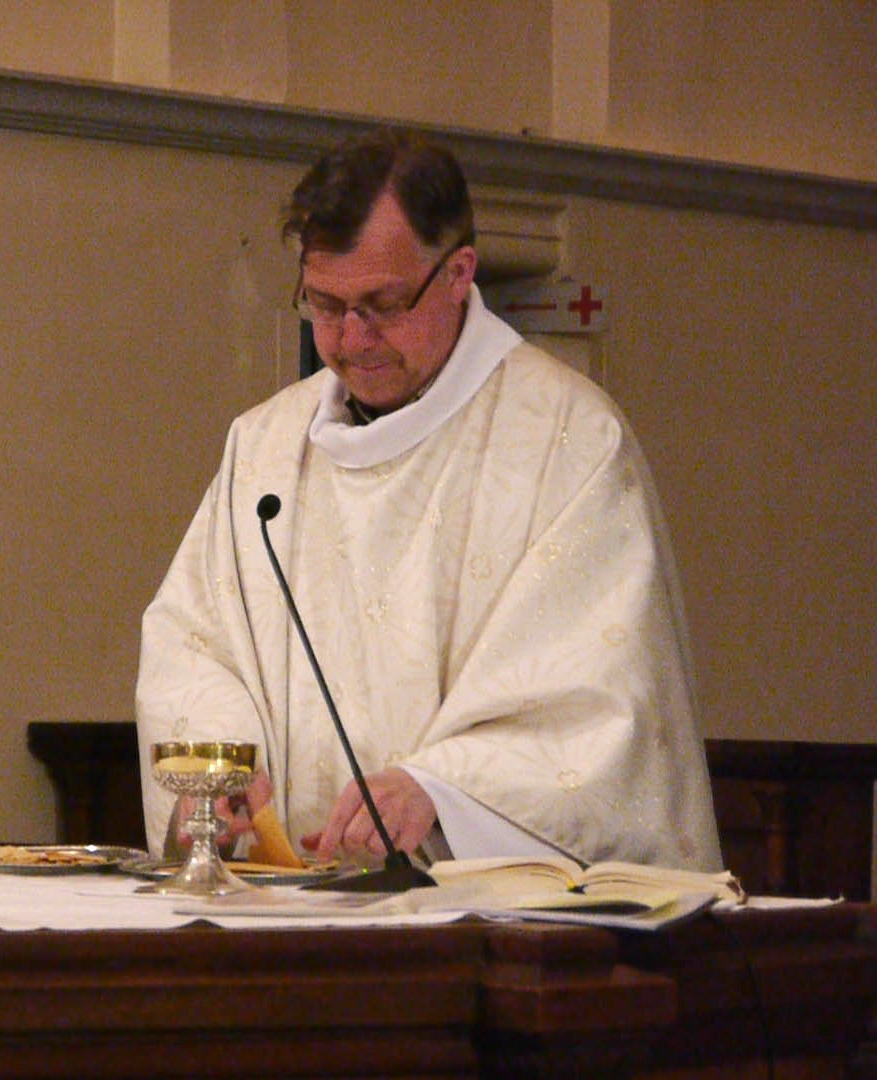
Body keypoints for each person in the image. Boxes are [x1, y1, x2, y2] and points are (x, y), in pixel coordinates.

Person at [135, 128, 721, 871]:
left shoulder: (566, 440)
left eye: (382, 304)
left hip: (488, 916)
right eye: (325, 305)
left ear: (458, 273)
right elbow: (196, 642)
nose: (351, 339)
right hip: (287, 906)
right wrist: (224, 772)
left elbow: (599, 703)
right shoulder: (265, 449)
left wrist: (441, 790)